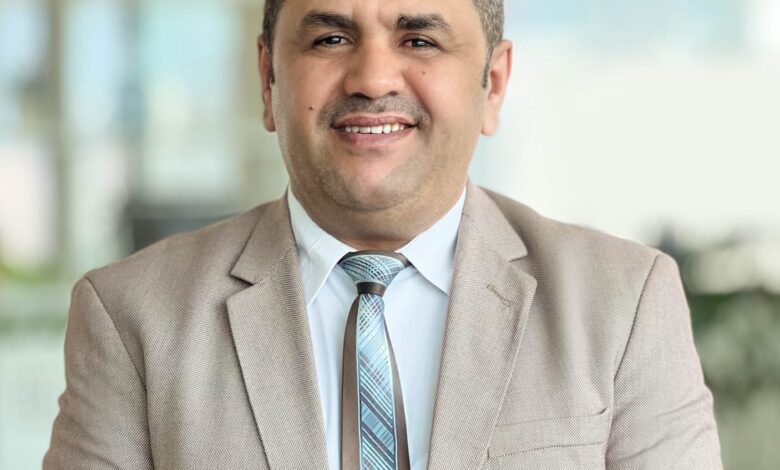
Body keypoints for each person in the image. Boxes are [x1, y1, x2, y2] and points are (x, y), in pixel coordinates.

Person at [45, 0, 723, 468]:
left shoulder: (624, 304)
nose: (372, 79)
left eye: (419, 40)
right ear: (268, 78)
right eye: (330, 38)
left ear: (492, 84)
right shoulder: (132, 316)